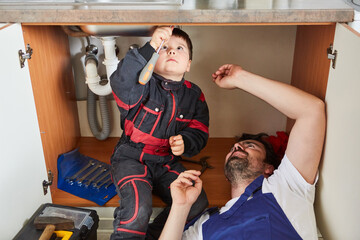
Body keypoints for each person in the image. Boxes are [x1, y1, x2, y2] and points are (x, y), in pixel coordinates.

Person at [159, 64, 326, 240]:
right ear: (226, 175)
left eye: (250, 146)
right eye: (232, 149)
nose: (237, 147)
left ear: (269, 168)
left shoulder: (286, 186)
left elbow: (311, 110)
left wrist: (240, 77)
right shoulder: (204, 225)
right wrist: (181, 206)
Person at [109, 26, 209, 239]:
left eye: (180, 48)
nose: (172, 51)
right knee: (138, 209)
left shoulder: (194, 95)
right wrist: (151, 46)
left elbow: (200, 130)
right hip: (132, 157)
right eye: (165, 48)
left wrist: (186, 142)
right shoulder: (141, 84)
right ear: (153, 58)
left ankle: (155, 235)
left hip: (167, 162)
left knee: (197, 202)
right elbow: (120, 81)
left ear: (189, 64)